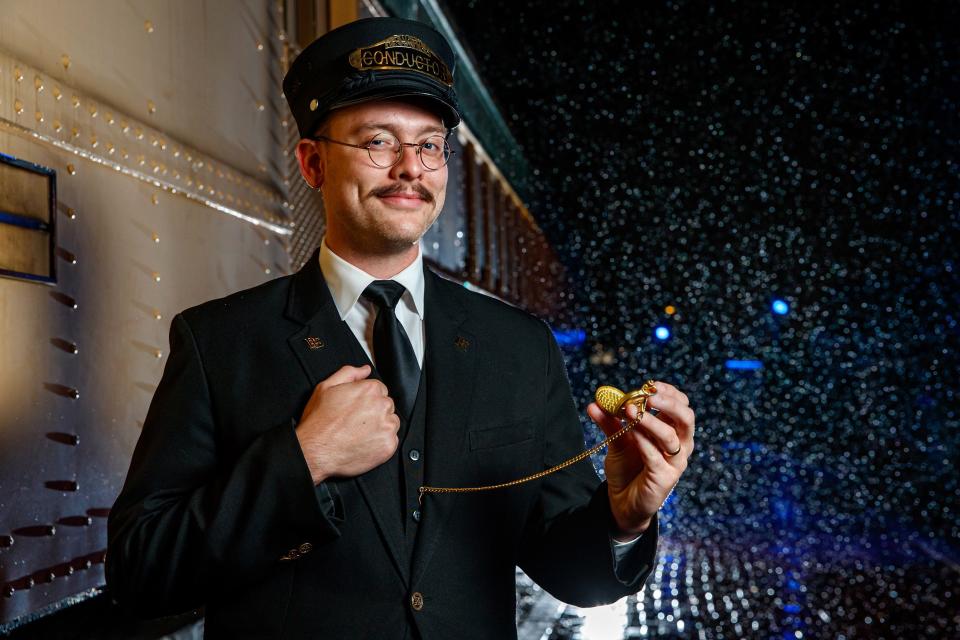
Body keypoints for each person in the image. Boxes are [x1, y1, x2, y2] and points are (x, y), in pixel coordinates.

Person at [106, 17, 695, 639]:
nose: (410, 168)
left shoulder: (518, 347)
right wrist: (304, 460)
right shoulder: (219, 341)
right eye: (377, 143)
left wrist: (623, 519)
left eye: (430, 145)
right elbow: (140, 571)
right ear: (312, 163)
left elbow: (574, 574)